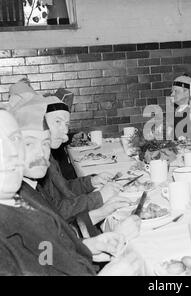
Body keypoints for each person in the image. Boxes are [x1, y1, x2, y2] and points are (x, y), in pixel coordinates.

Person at [0, 108, 143, 275]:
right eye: (28, 143)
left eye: (14, 141)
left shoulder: (23, 196)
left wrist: (87, 247)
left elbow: (46, 256)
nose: (11, 154)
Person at [36, 95, 131, 232]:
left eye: (67, 124)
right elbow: (57, 210)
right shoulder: (37, 166)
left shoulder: (48, 156)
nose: (65, 131)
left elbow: (64, 188)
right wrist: (99, 197)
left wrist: (91, 182)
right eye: (58, 122)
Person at [169, 74, 191, 139]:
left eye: (176, 91)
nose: (172, 94)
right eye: (172, 91)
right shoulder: (178, 111)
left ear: (187, 92)